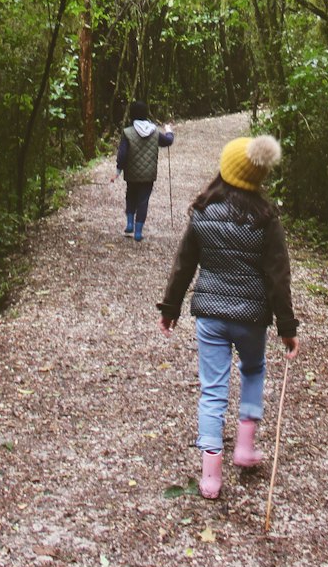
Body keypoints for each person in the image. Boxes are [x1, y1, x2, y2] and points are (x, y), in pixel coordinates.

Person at [156, 133, 299, 500]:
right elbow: (278, 277)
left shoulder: (203, 213)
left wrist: (170, 308)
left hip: (210, 317)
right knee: (252, 370)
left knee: (212, 390)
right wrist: (287, 327)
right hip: (252, 317)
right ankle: (246, 447)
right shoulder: (266, 219)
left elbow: (184, 265)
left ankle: (211, 476)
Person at [112, 99, 174, 242]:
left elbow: (122, 154)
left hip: (132, 174)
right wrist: (169, 131)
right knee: (143, 201)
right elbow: (168, 141)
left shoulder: (128, 132)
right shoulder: (154, 132)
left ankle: (129, 224)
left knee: (131, 196)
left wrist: (118, 170)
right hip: (148, 175)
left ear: (132, 115)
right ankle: (138, 232)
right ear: (146, 114)